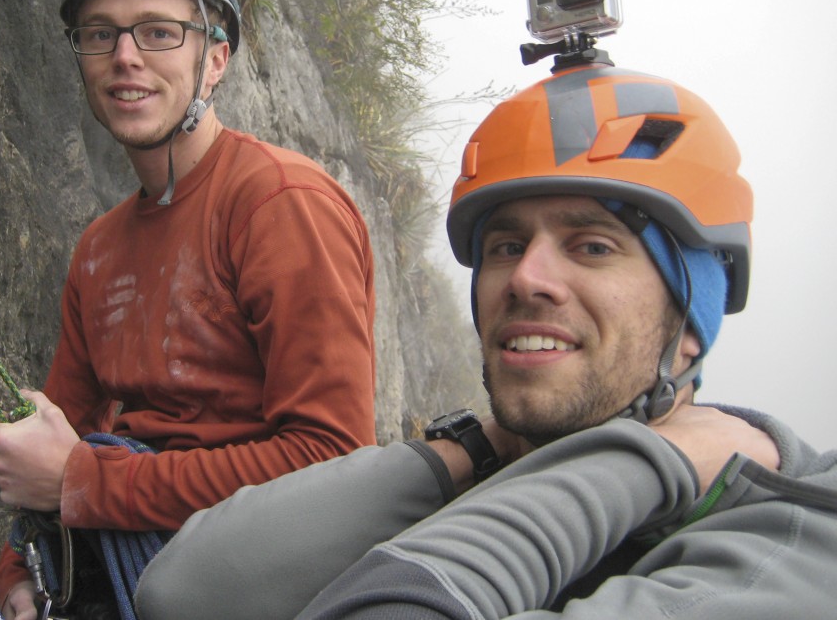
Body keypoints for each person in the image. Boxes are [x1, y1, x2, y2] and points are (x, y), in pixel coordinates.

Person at [134, 62, 837, 619]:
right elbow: (188, 592)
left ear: (689, 323)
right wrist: (476, 447)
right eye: (505, 244)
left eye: (592, 245)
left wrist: (651, 458)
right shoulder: (486, 474)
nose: (526, 276)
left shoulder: (790, 544)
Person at [0, 0, 377, 620]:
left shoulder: (280, 204)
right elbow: (58, 423)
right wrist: (17, 572)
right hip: (119, 572)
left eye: (158, 31)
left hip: (254, 586)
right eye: (100, 33)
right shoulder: (99, 249)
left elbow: (333, 459)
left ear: (215, 59)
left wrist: (84, 479)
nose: (125, 57)